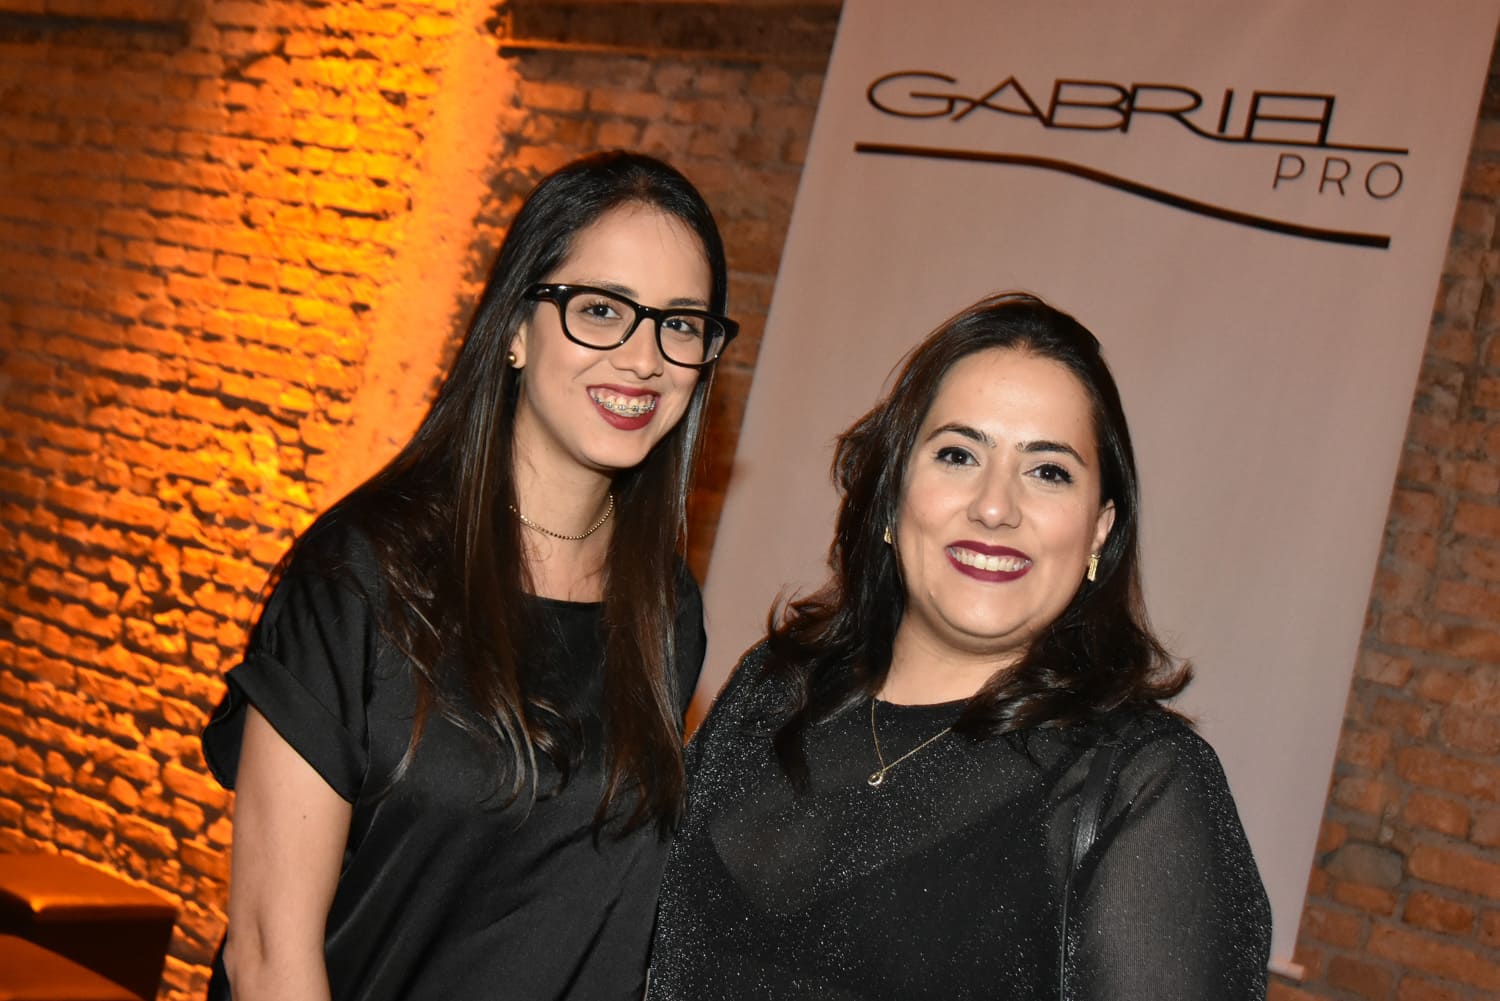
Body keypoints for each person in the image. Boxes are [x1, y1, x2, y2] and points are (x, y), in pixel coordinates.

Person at [201, 151, 739, 1001]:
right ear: (516, 327)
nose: (644, 358)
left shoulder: (663, 609)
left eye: (680, 323)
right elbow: (268, 955)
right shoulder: (362, 575)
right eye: (601, 310)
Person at [647, 292, 1271, 1000]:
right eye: (957, 454)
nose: (995, 506)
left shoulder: (1142, 786)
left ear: (1099, 531)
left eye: (1048, 471)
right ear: (892, 493)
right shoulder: (772, 691)